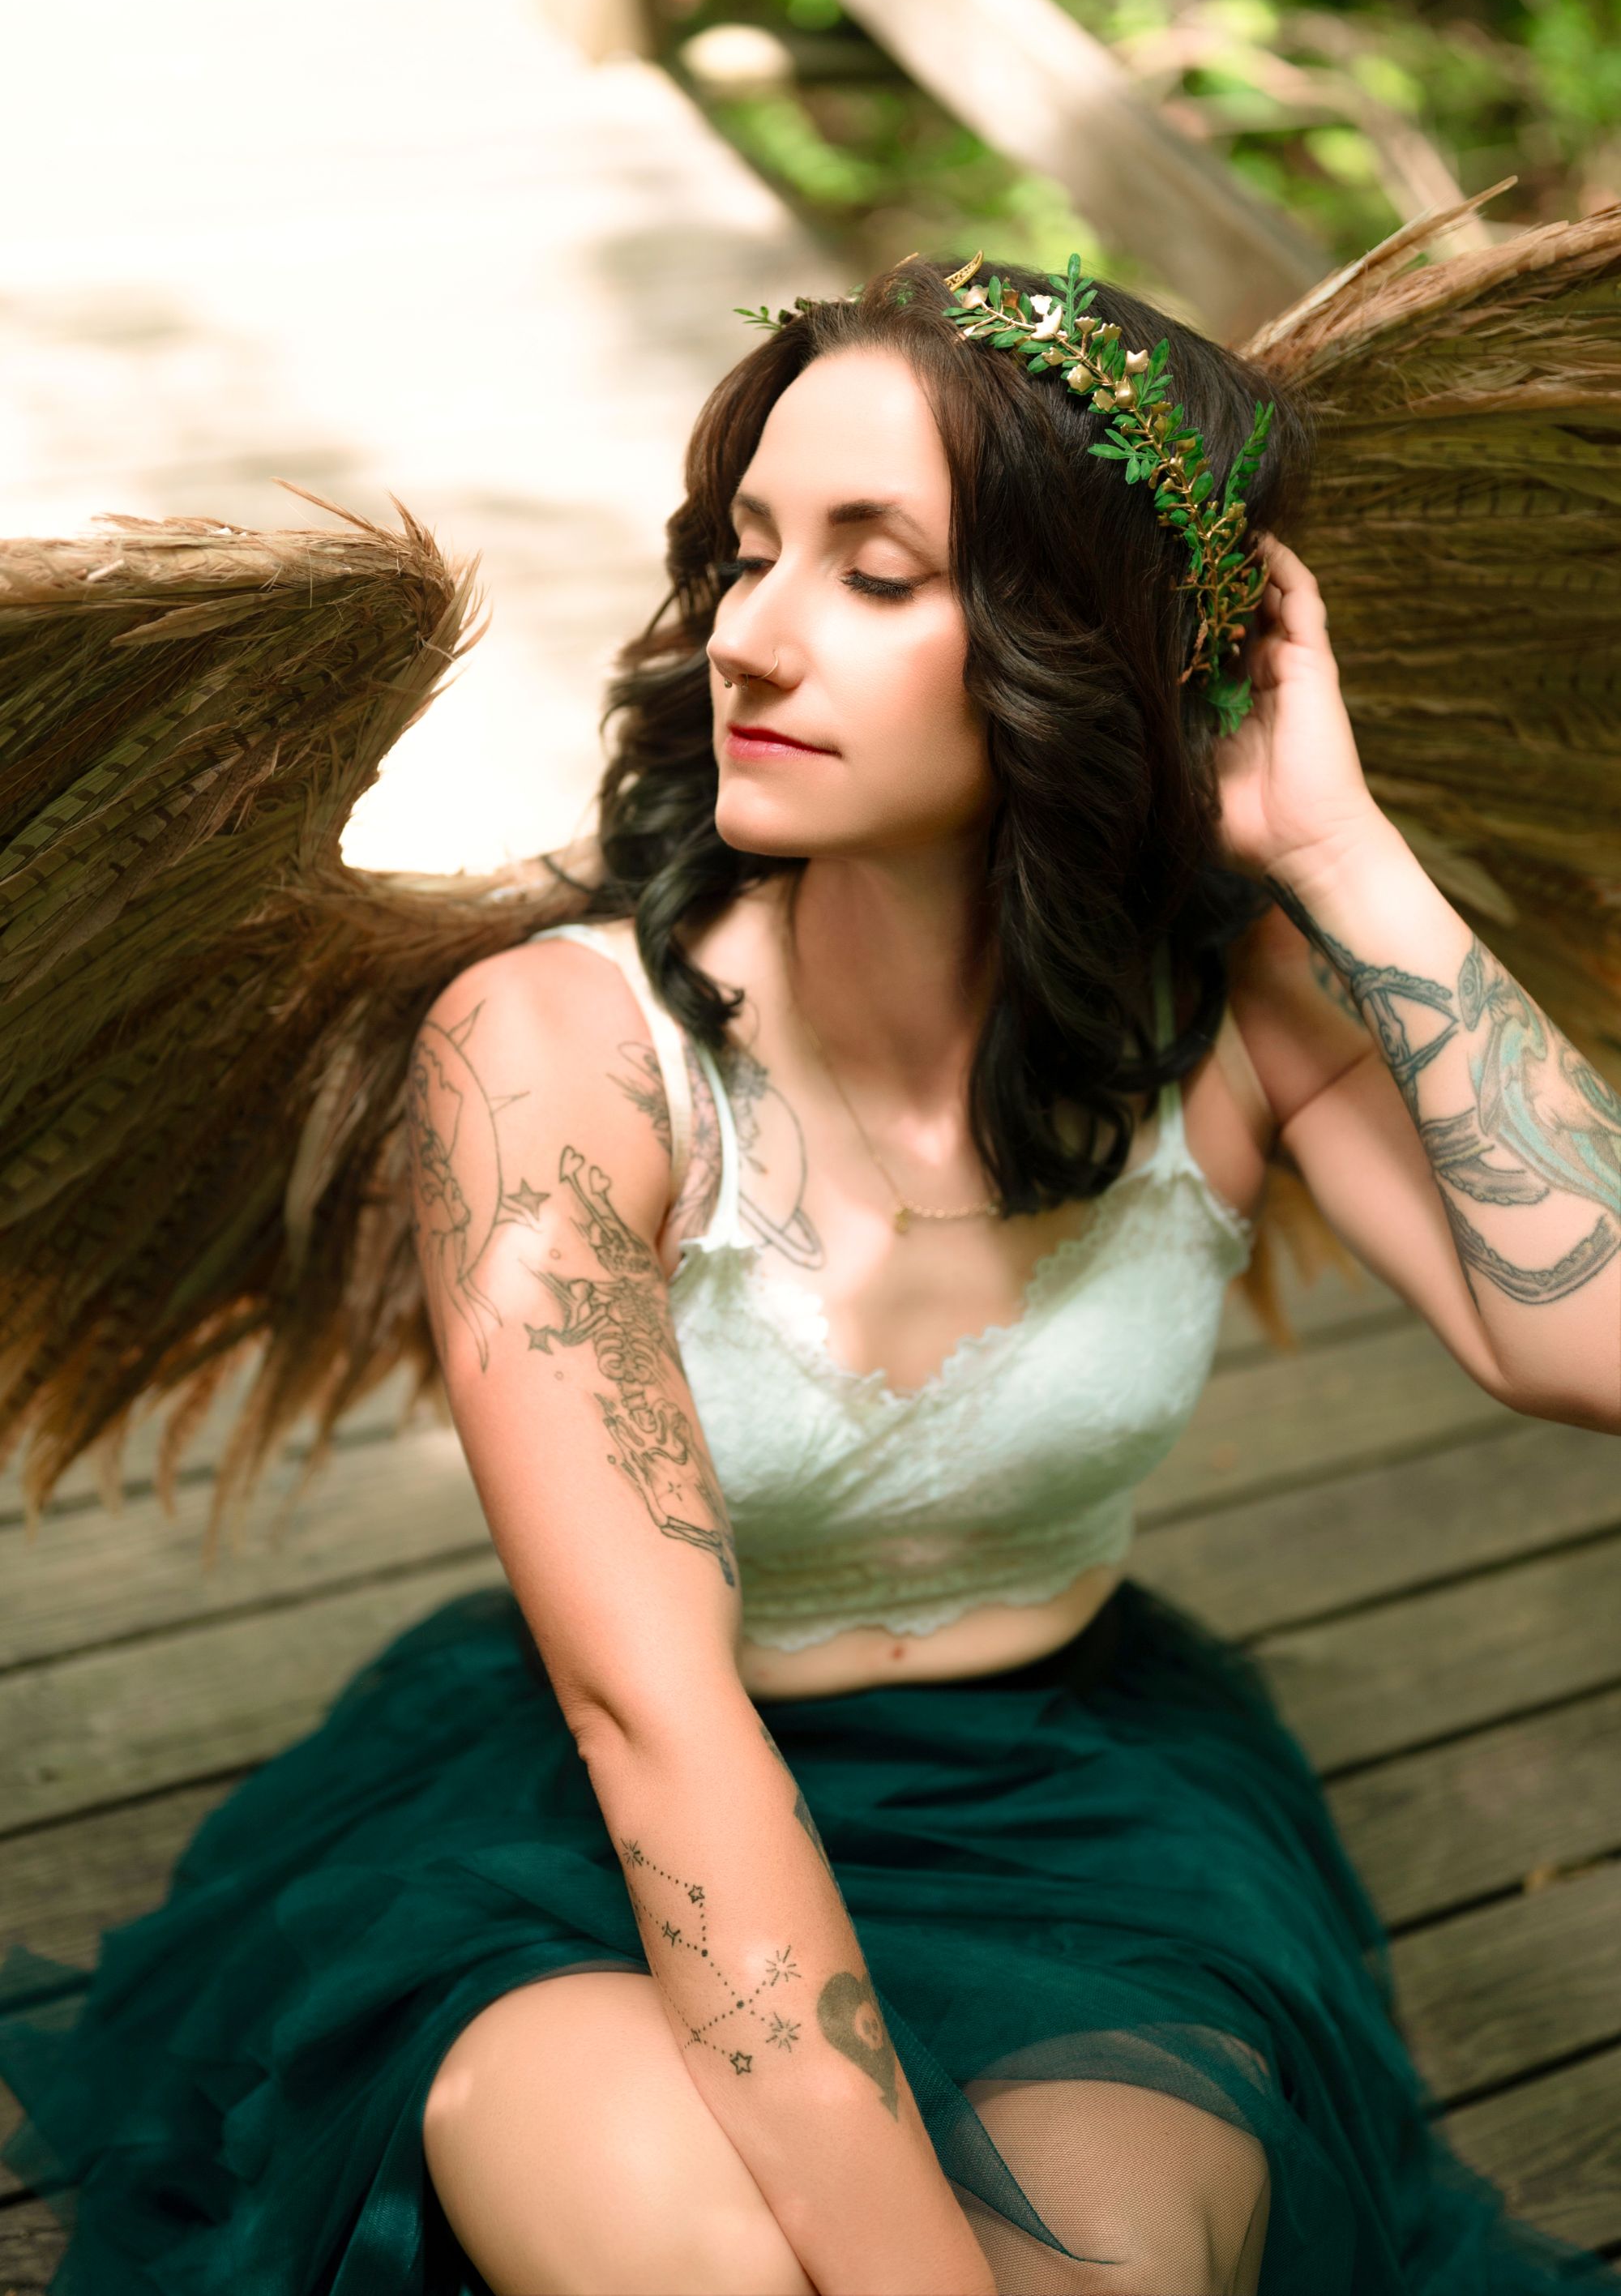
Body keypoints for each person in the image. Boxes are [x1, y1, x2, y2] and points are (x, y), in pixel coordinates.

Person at [2, 250, 1618, 2295]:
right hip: (591, 1824)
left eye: (874, 571)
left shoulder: (1242, 999)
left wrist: (1341, 852)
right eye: (745, 552)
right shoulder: (557, 1050)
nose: (748, 640)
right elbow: (651, 1710)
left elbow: (1592, 1342)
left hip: (1066, 1806)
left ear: (1081, 641)